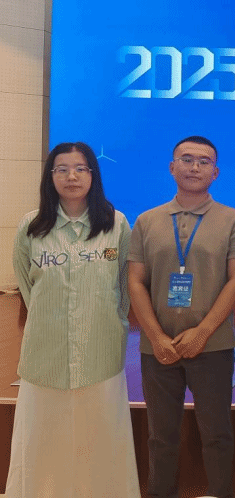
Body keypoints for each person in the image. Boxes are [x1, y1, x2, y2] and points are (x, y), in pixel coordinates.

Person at [8, 142, 139, 498]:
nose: (71, 176)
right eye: (62, 169)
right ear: (50, 176)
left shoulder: (116, 224)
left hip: (100, 353)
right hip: (45, 356)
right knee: (43, 441)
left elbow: (124, 288)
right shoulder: (31, 226)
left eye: (80, 168)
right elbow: (28, 288)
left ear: (93, 175)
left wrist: (105, 322)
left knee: (101, 440)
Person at [128, 135, 235, 498]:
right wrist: (156, 336)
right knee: (160, 435)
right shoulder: (147, 221)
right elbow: (135, 282)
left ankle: (220, 493)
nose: (194, 167)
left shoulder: (233, 220)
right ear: (172, 167)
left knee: (217, 434)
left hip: (212, 346)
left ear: (216, 172)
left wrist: (203, 332)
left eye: (203, 161)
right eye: (186, 159)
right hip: (158, 347)